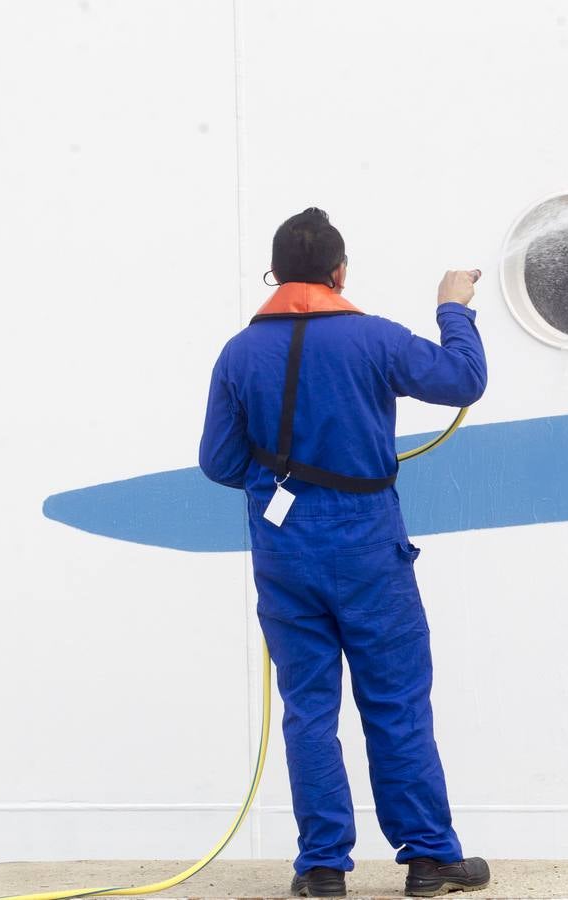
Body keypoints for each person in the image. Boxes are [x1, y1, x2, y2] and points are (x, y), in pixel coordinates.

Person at [198, 207, 490, 898]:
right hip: (365, 543)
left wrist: (278, 480)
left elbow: (217, 461)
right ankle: (428, 860)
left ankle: (322, 869)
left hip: (283, 548)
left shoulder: (239, 353)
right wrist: (454, 308)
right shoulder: (374, 340)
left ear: (276, 275)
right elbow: (463, 381)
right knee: (395, 700)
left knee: (308, 707)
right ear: (339, 272)